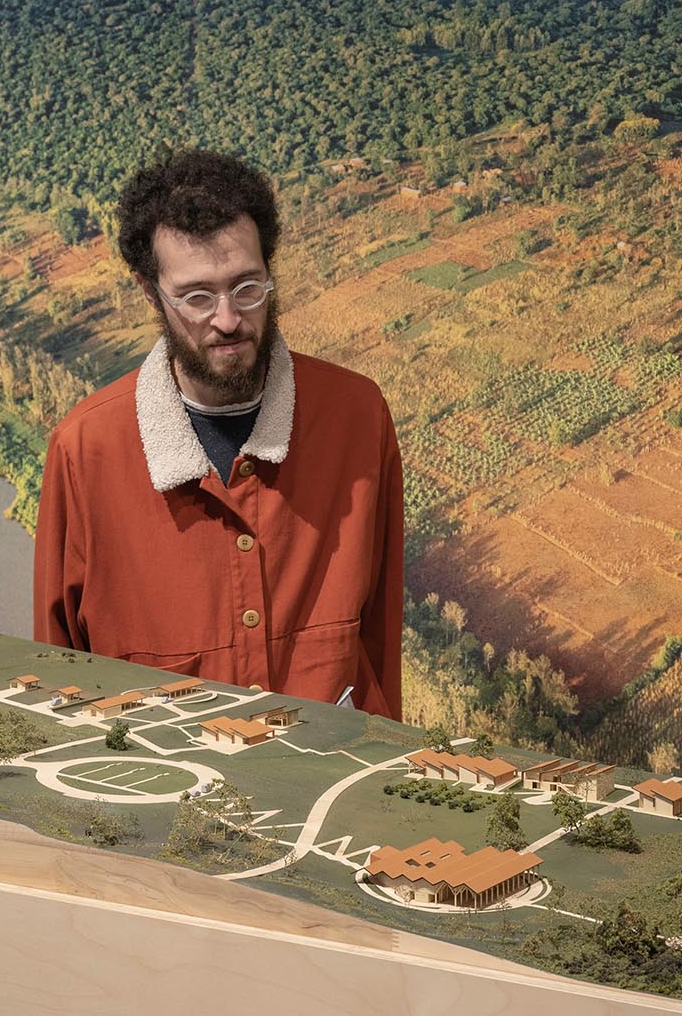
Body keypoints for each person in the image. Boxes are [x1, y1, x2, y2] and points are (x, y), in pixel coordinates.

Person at [32, 150, 404, 718]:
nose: (228, 318)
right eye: (198, 297)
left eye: (247, 287)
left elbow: (378, 639)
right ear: (150, 292)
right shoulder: (85, 452)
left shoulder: (358, 417)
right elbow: (59, 676)